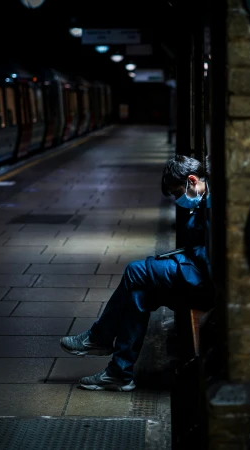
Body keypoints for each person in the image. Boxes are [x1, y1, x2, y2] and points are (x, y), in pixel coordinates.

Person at [60, 154, 213, 391]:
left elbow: (209, 258)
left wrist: (179, 259)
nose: (177, 200)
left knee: (135, 271)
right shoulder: (203, 200)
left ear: (192, 180)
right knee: (139, 293)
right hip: (197, 276)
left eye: (176, 193)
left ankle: (99, 338)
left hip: (205, 282)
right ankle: (119, 373)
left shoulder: (212, 203)